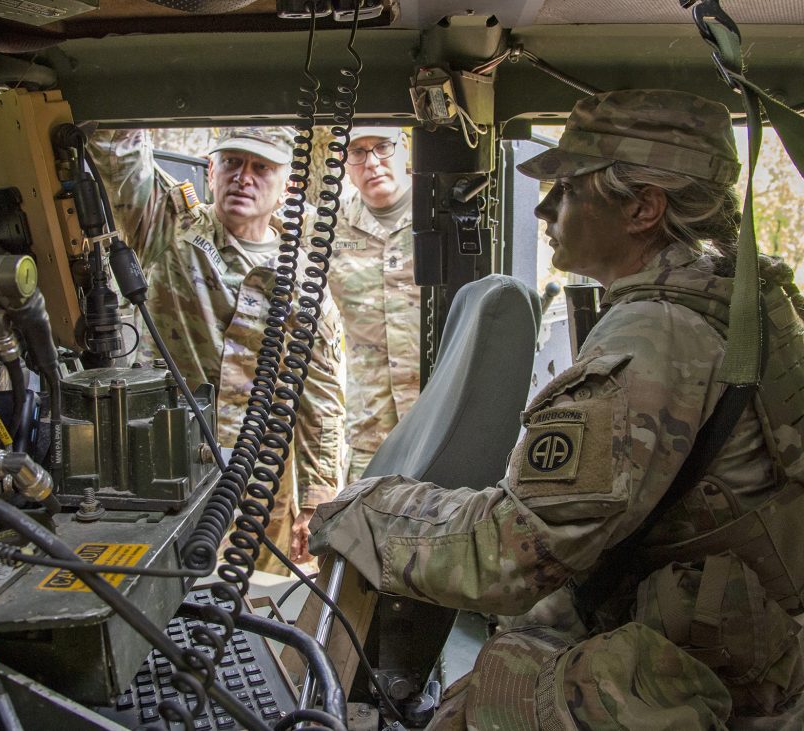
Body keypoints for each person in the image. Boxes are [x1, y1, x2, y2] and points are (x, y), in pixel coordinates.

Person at [309, 89, 804, 728]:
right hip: (736, 636)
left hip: (716, 673)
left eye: (569, 189)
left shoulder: (656, 338)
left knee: (490, 695)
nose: (545, 208)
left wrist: (365, 510)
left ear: (643, 208)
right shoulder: (737, 302)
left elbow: (511, 553)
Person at [90, 127, 345, 574]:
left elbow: (320, 399)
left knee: (254, 601)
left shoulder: (305, 279)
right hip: (166, 466)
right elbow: (121, 161)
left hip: (262, 483)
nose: (243, 177)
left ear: (286, 185)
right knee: (163, 591)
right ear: (212, 171)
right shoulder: (167, 229)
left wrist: (318, 502)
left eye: (261, 167)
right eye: (232, 163)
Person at [328, 126, 421, 482]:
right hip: (371, 432)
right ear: (345, 163)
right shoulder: (325, 229)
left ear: (404, 148)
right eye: (358, 152)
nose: (372, 162)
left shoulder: (440, 216)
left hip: (441, 418)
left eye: (382, 147)